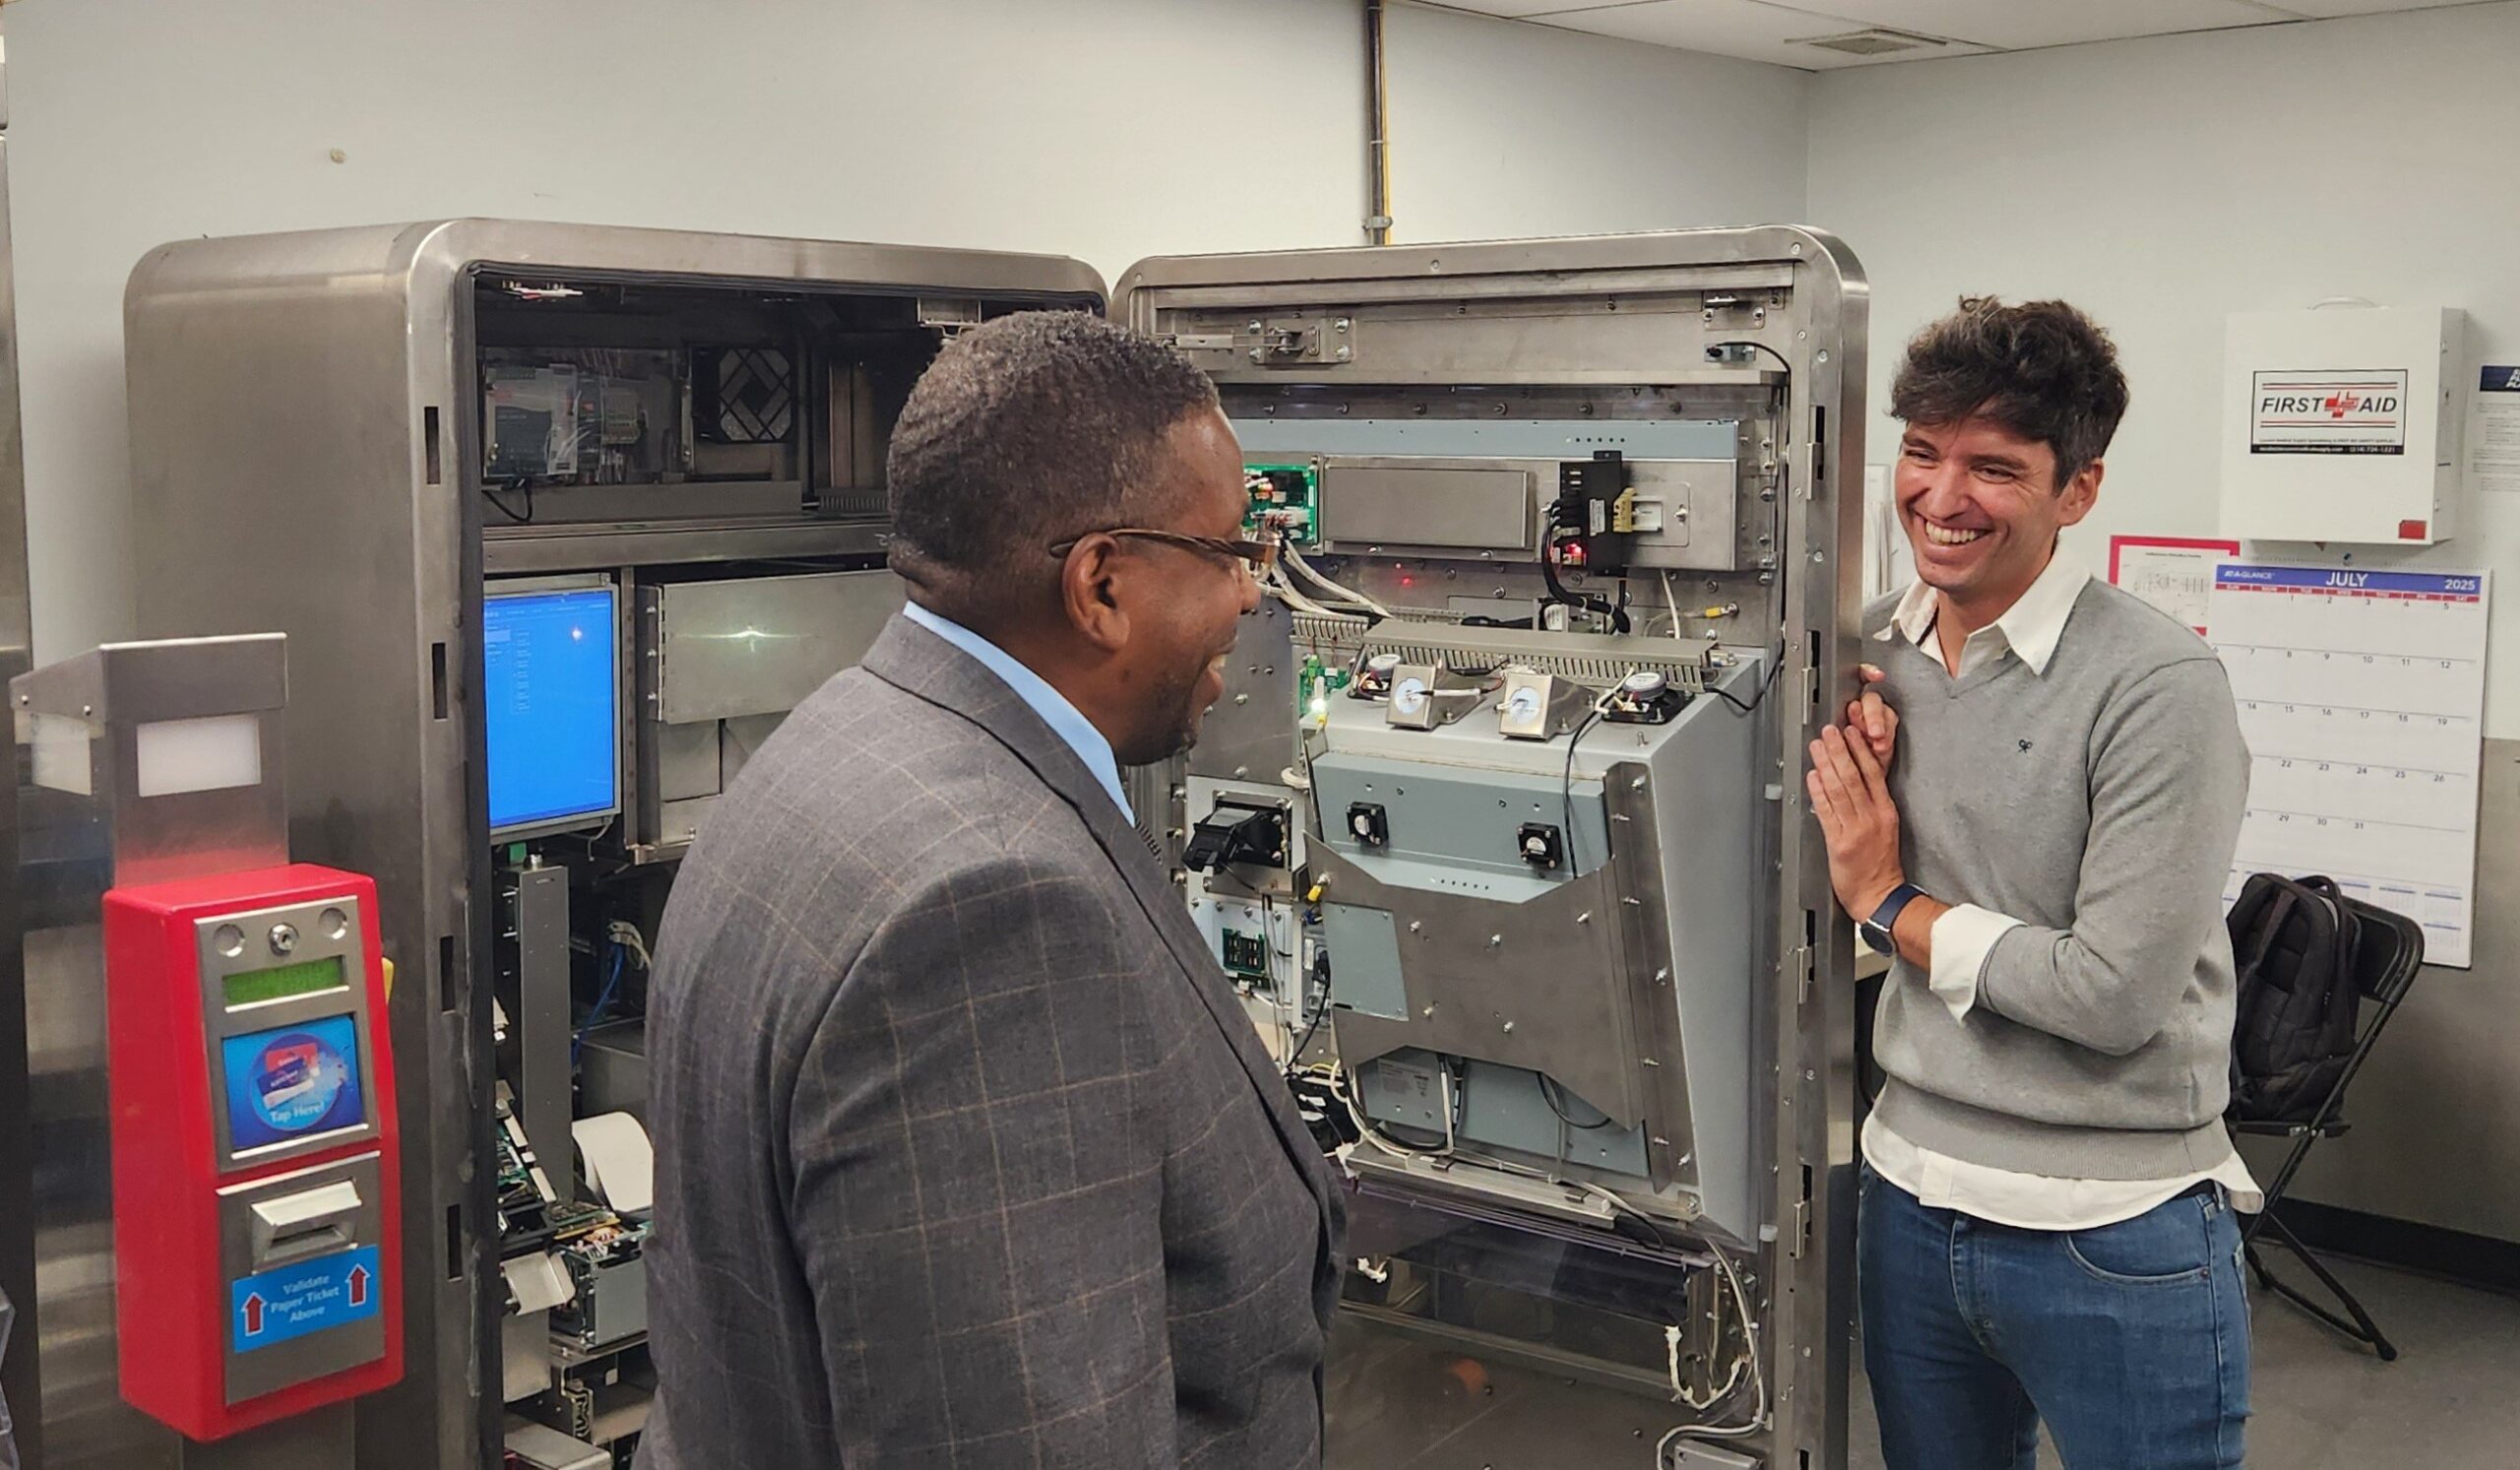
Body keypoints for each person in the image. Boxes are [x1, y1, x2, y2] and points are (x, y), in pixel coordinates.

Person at [635, 312, 1345, 1469]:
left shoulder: (836, 747)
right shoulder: (994, 913)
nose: (1251, 596)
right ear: (1101, 583)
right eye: (1229, 554)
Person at [1805, 297, 2256, 1470]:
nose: (1940, 498)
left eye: (1992, 466)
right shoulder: (1860, 649)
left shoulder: (2156, 685)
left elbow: (2111, 993)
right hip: (1905, 1194)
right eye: (1920, 452)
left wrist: (1889, 901)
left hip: (2109, 1226)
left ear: (2079, 489)